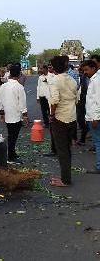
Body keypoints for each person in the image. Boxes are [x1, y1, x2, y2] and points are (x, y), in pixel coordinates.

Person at [49, 56, 78, 187]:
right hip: (72, 117)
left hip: (60, 119)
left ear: (54, 68)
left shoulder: (55, 80)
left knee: (62, 150)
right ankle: (65, 176)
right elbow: (77, 98)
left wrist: (51, 114)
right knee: (67, 149)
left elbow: (54, 100)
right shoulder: (72, 79)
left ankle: (65, 180)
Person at [0, 65, 28, 164]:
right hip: (16, 116)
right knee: (13, 137)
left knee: (11, 135)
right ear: (19, 74)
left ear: (10, 73)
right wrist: (25, 116)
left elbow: (0, 101)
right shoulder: (19, 87)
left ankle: (12, 154)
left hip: (7, 115)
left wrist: (1, 113)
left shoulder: (3, 86)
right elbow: (22, 103)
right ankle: (10, 157)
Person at [82, 60, 100, 174]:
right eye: (84, 70)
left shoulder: (97, 81)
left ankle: (99, 166)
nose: (85, 72)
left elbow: (98, 100)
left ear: (94, 68)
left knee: (98, 142)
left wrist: (96, 117)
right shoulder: (93, 79)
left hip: (95, 117)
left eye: (87, 70)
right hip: (92, 116)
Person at [76, 65, 89, 146]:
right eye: (82, 70)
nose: (84, 72)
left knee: (87, 120)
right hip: (81, 101)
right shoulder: (82, 77)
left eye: (85, 70)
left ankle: (83, 138)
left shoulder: (92, 79)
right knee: (80, 119)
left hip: (88, 102)